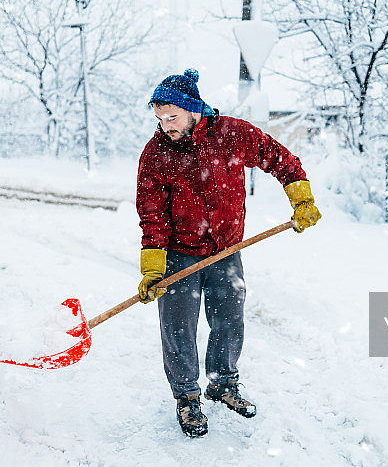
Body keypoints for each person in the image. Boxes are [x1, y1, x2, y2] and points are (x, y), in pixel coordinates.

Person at [135, 68, 321, 438]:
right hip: (179, 253)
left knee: (229, 321)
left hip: (227, 250)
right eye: (160, 119)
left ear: (193, 110)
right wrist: (154, 267)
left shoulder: (233, 134)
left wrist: (300, 195)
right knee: (178, 329)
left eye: (172, 117)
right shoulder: (157, 155)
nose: (165, 126)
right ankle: (187, 397)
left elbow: (278, 156)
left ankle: (222, 383)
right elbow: (152, 214)